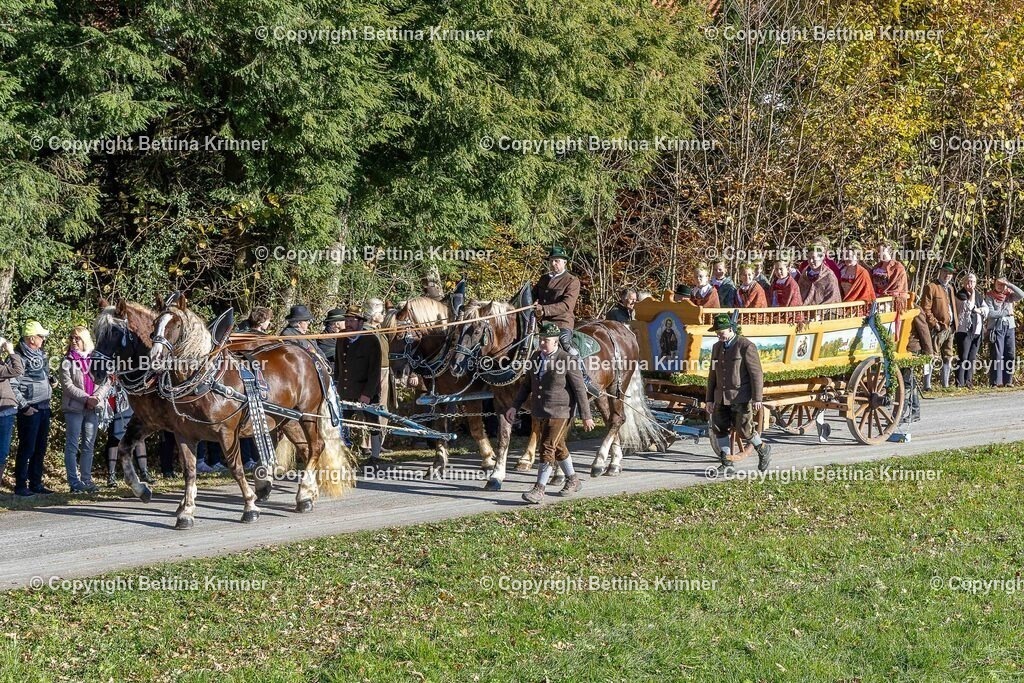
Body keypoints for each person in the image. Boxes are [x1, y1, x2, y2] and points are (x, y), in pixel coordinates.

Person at [508, 322, 594, 504]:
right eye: (540, 340)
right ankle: (573, 479)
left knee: (547, 446)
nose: (542, 343)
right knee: (558, 446)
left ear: (555, 342)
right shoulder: (535, 357)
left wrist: (586, 416)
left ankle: (539, 489)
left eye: (546, 341)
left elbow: (579, 389)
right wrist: (514, 406)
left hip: (561, 411)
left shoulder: (567, 359)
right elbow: (526, 385)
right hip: (540, 410)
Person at [704, 314, 771, 475]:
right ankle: (727, 463)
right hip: (721, 396)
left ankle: (763, 448)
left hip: (740, 396)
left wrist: (757, 398)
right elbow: (712, 374)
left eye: (721, 332)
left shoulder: (746, 346)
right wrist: (709, 399)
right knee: (719, 428)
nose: (719, 336)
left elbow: (756, 374)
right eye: (717, 333)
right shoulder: (716, 347)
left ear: (730, 329)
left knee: (744, 430)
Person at [335, 305, 388, 468]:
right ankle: (344, 456)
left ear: (360, 322)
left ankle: (375, 456)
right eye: (346, 320)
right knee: (342, 423)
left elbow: (374, 371)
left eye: (352, 320)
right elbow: (338, 366)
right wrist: (336, 387)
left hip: (365, 391)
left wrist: (367, 393)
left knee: (373, 423)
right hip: (345, 390)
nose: (348, 324)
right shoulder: (341, 338)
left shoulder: (370, 340)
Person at [60, 326, 108, 493]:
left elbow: (106, 380)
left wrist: (96, 398)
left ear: (85, 340)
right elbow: (67, 386)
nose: (73, 341)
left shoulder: (96, 358)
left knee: (88, 445)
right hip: (74, 408)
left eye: (77, 338)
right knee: (72, 445)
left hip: (92, 408)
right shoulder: (67, 360)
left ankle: (86, 481)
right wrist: (87, 399)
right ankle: (74, 482)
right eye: (71, 338)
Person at [10, 320, 55, 496]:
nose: (44, 339)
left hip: (44, 407)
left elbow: (43, 376)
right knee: (27, 448)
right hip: (30, 408)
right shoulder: (17, 357)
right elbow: (12, 386)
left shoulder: (41, 355)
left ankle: (36, 483)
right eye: (41, 336)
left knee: (40, 448)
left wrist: (51, 382)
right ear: (31, 338)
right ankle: (21, 485)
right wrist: (25, 407)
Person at [531, 246, 581, 356]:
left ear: (564, 262)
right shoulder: (543, 278)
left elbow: (566, 305)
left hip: (561, 322)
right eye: (551, 261)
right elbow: (532, 296)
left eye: (556, 261)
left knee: (565, 343)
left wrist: (544, 309)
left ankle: (578, 364)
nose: (553, 264)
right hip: (540, 322)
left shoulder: (572, 280)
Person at [919, 263, 958, 389]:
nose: (947, 275)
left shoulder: (950, 288)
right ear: (940, 272)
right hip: (937, 328)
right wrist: (934, 323)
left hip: (950, 327)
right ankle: (927, 384)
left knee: (948, 355)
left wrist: (954, 325)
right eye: (945, 272)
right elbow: (925, 309)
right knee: (930, 356)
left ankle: (945, 384)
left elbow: (952, 307)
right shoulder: (931, 287)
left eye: (950, 273)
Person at [985, 277, 1023, 387]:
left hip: (1009, 327)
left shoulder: (1009, 295)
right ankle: (995, 382)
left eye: (1002, 284)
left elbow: (1021, 295)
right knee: (997, 355)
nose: (1000, 286)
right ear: (994, 284)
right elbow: (990, 313)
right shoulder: (990, 296)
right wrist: (1005, 312)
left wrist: (1009, 284)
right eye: (998, 284)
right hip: (997, 328)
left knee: (1010, 354)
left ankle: (1008, 381)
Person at [954, 273, 988, 389]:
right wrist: (972, 294)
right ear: (964, 282)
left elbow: (986, 309)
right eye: (968, 281)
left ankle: (968, 381)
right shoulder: (961, 294)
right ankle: (959, 382)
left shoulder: (978, 295)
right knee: (963, 356)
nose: (970, 284)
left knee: (972, 357)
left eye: (973, 282)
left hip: (977, 331)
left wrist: (978, 310)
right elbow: (969, 306)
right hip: (964, 331)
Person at [0, 335, 24, 490]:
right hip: (3, 410)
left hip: (6, 410)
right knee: (2, 452)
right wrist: (11, 351)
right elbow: (18, 370)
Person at [871, 240, 909, 312]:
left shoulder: (897, 267)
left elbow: (898, 288)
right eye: (878, 251)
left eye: (882, 251)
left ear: (890, 252)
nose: (879, 254)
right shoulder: (877, 267)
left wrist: (884, 295)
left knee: (876, 311)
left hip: (889, 300)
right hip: (875, 297)